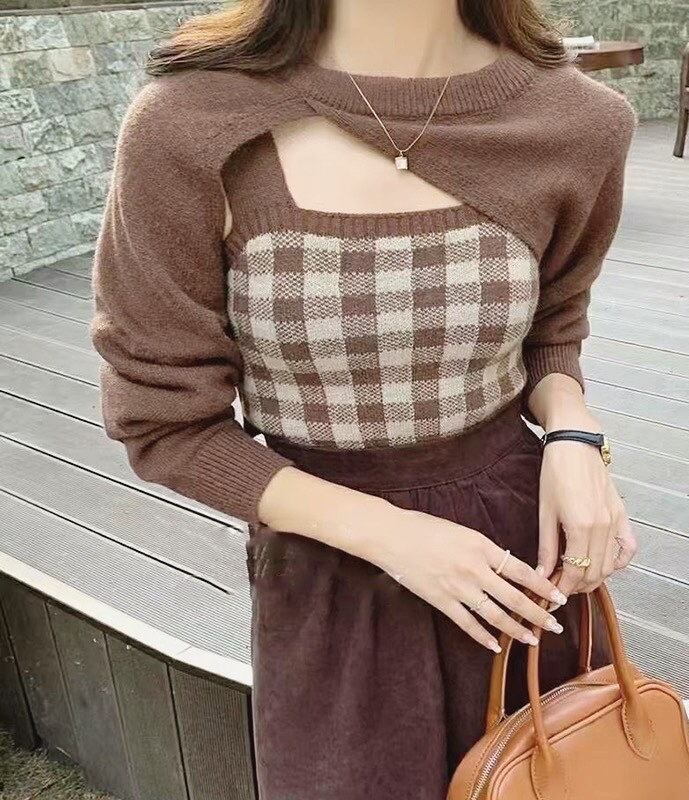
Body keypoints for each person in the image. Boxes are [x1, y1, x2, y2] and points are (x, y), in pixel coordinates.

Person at [90, 0, 638, 797]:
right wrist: (391, 535)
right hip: (328, 565)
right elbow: (165, 422)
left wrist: (574, 434)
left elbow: (554, 329)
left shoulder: (578, 121)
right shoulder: (192, 125)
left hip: (525, 563)